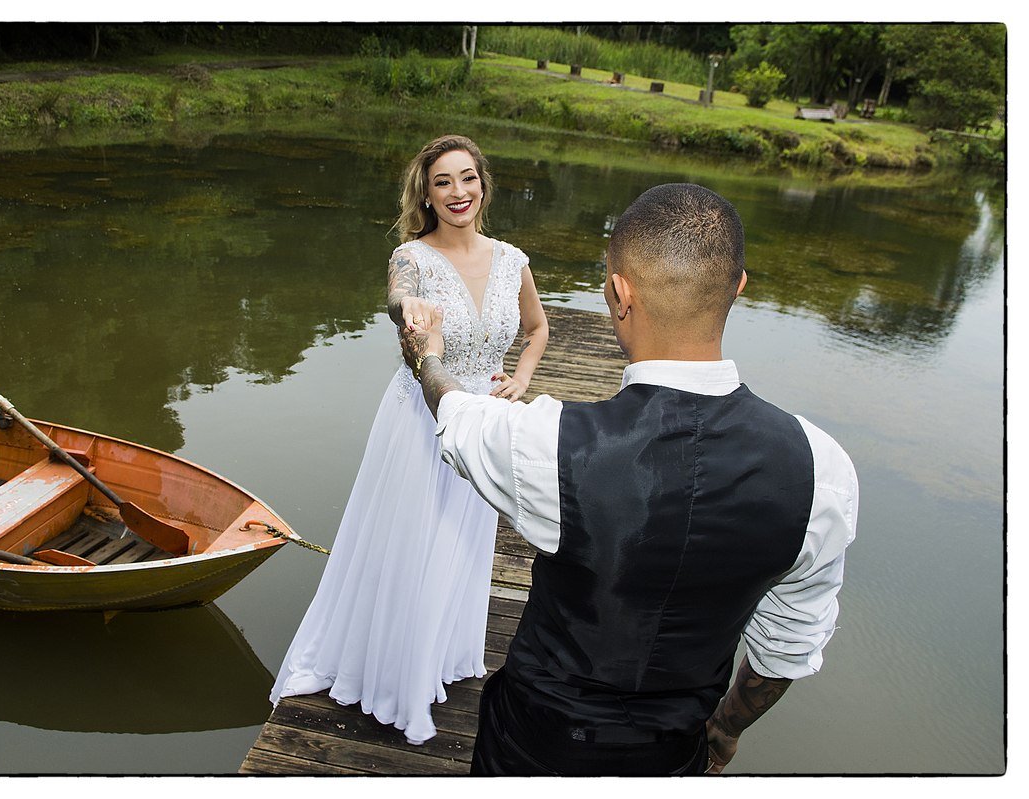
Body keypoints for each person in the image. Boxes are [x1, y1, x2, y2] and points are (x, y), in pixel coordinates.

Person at [400, 183, 858, 775]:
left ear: (618, 293)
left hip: (534, 747)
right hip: (674, 756)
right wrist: (724, 731)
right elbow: (787, 647)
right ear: (739, 288)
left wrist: (427, 358)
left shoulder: (550, 444)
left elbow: (460, 421)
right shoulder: (823, 470)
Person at [270, 134, 549, 745]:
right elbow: (399, 298)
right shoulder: (411, 258)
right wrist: (410, 311)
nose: (458, 192)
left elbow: (536, 327)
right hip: (420, 420)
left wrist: (522, 378)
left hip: (483, 418)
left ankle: (441, 656)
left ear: (483, 184)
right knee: (412, 538)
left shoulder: (512, 259)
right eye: (443, 181)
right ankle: (394, 674)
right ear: (425, 192)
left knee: (460, 542)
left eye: (468, 178)